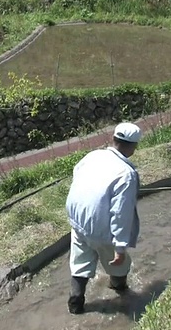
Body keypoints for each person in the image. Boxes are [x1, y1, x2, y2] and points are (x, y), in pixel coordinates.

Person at [65, 122, 142, 315]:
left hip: (77, 221)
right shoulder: (126, 175)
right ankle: (119, 289)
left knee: (80, 263)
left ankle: (75, 303)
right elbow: (121, 214)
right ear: (133, 146)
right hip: (101, 229)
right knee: (119, 264)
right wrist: (120, 247)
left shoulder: (93, 155)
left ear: (114, 139)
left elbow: (77, 173)